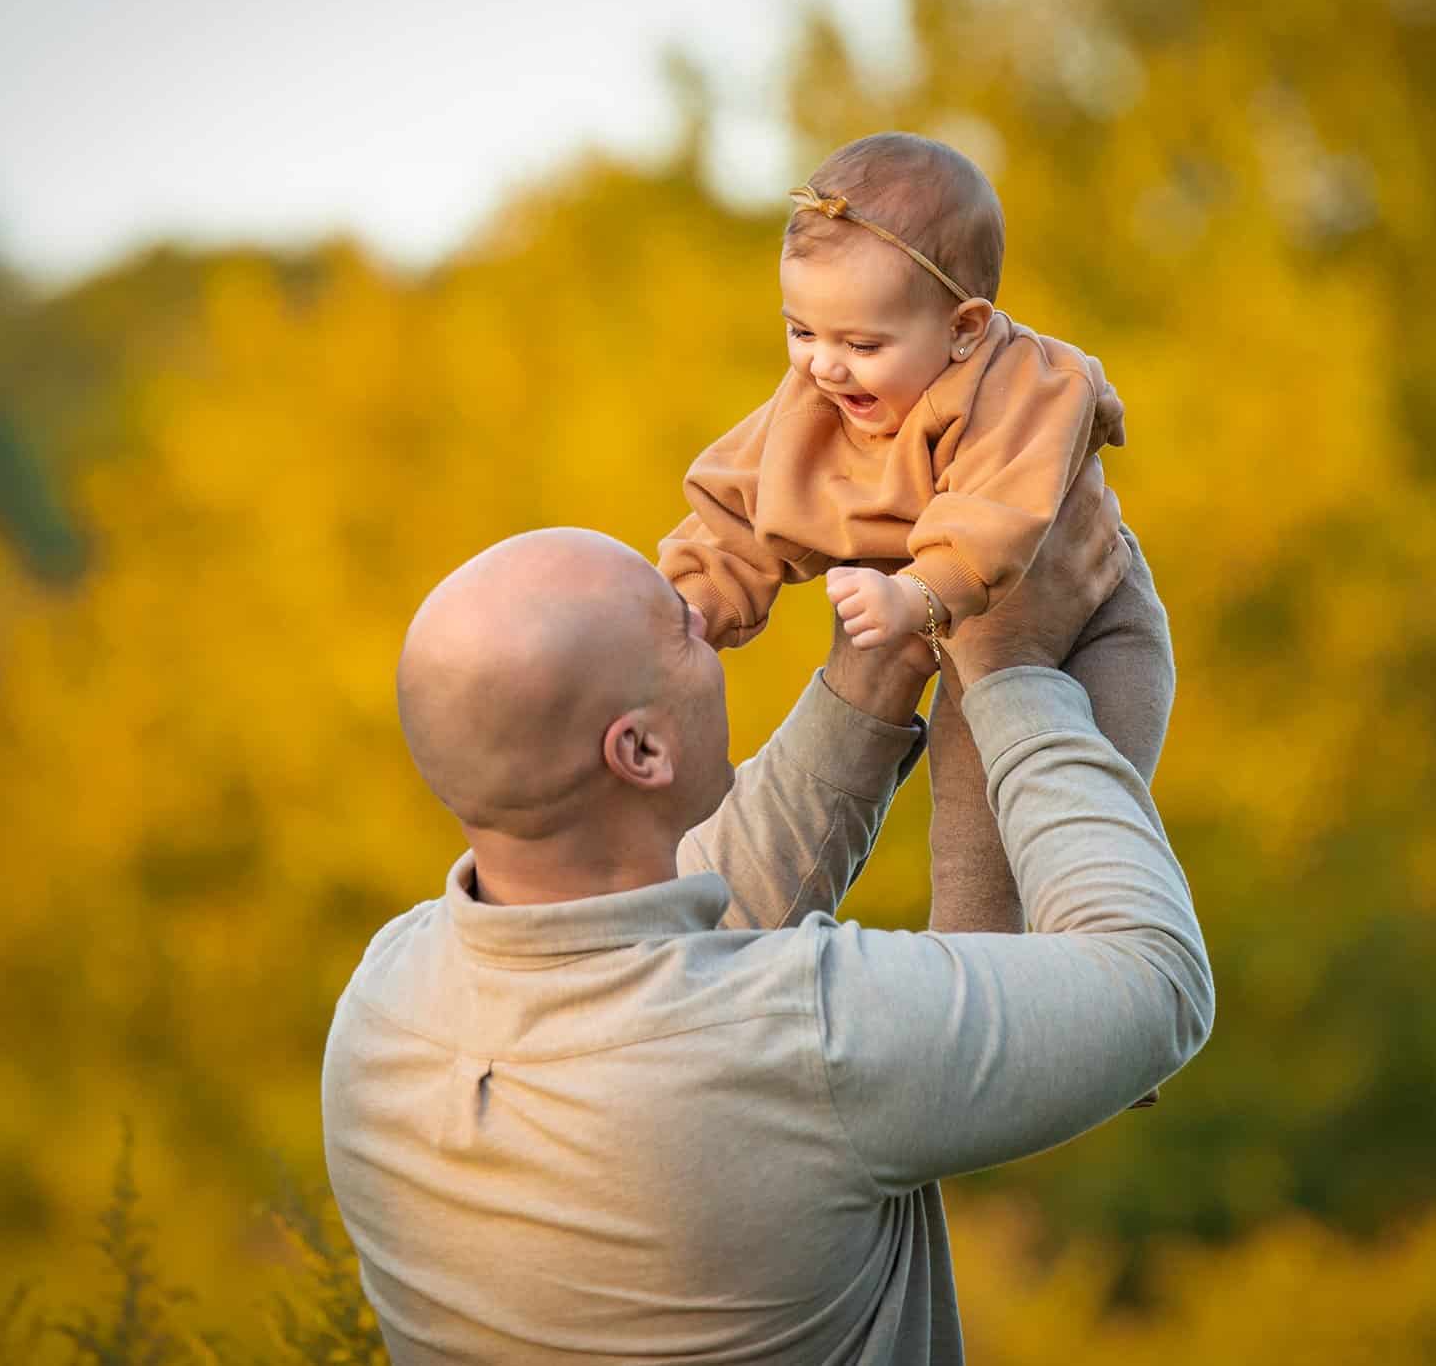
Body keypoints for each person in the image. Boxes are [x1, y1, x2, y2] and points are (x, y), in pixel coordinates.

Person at [321, 462, 1211, 1364]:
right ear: (638, 748)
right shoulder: (809, 1037)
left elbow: (671, 964)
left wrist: (882, 666)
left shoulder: (382, 1009)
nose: (711, 622)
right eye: (682, 628)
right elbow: (1152, 977)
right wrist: (1012, 670)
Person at [658, 131, 1176, 945]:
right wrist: (687, 607)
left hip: (1098, 623)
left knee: (1095, 823)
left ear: (964, 326)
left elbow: (999, 515)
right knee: (971, 853)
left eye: (862, 345)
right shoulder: (816, 403)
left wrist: (913, 593)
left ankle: (1112, 1029)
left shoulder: (1027, 385)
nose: (825, 366)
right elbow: (740, 510)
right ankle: (998, 1018)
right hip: (967, 642)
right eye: (802, 332)